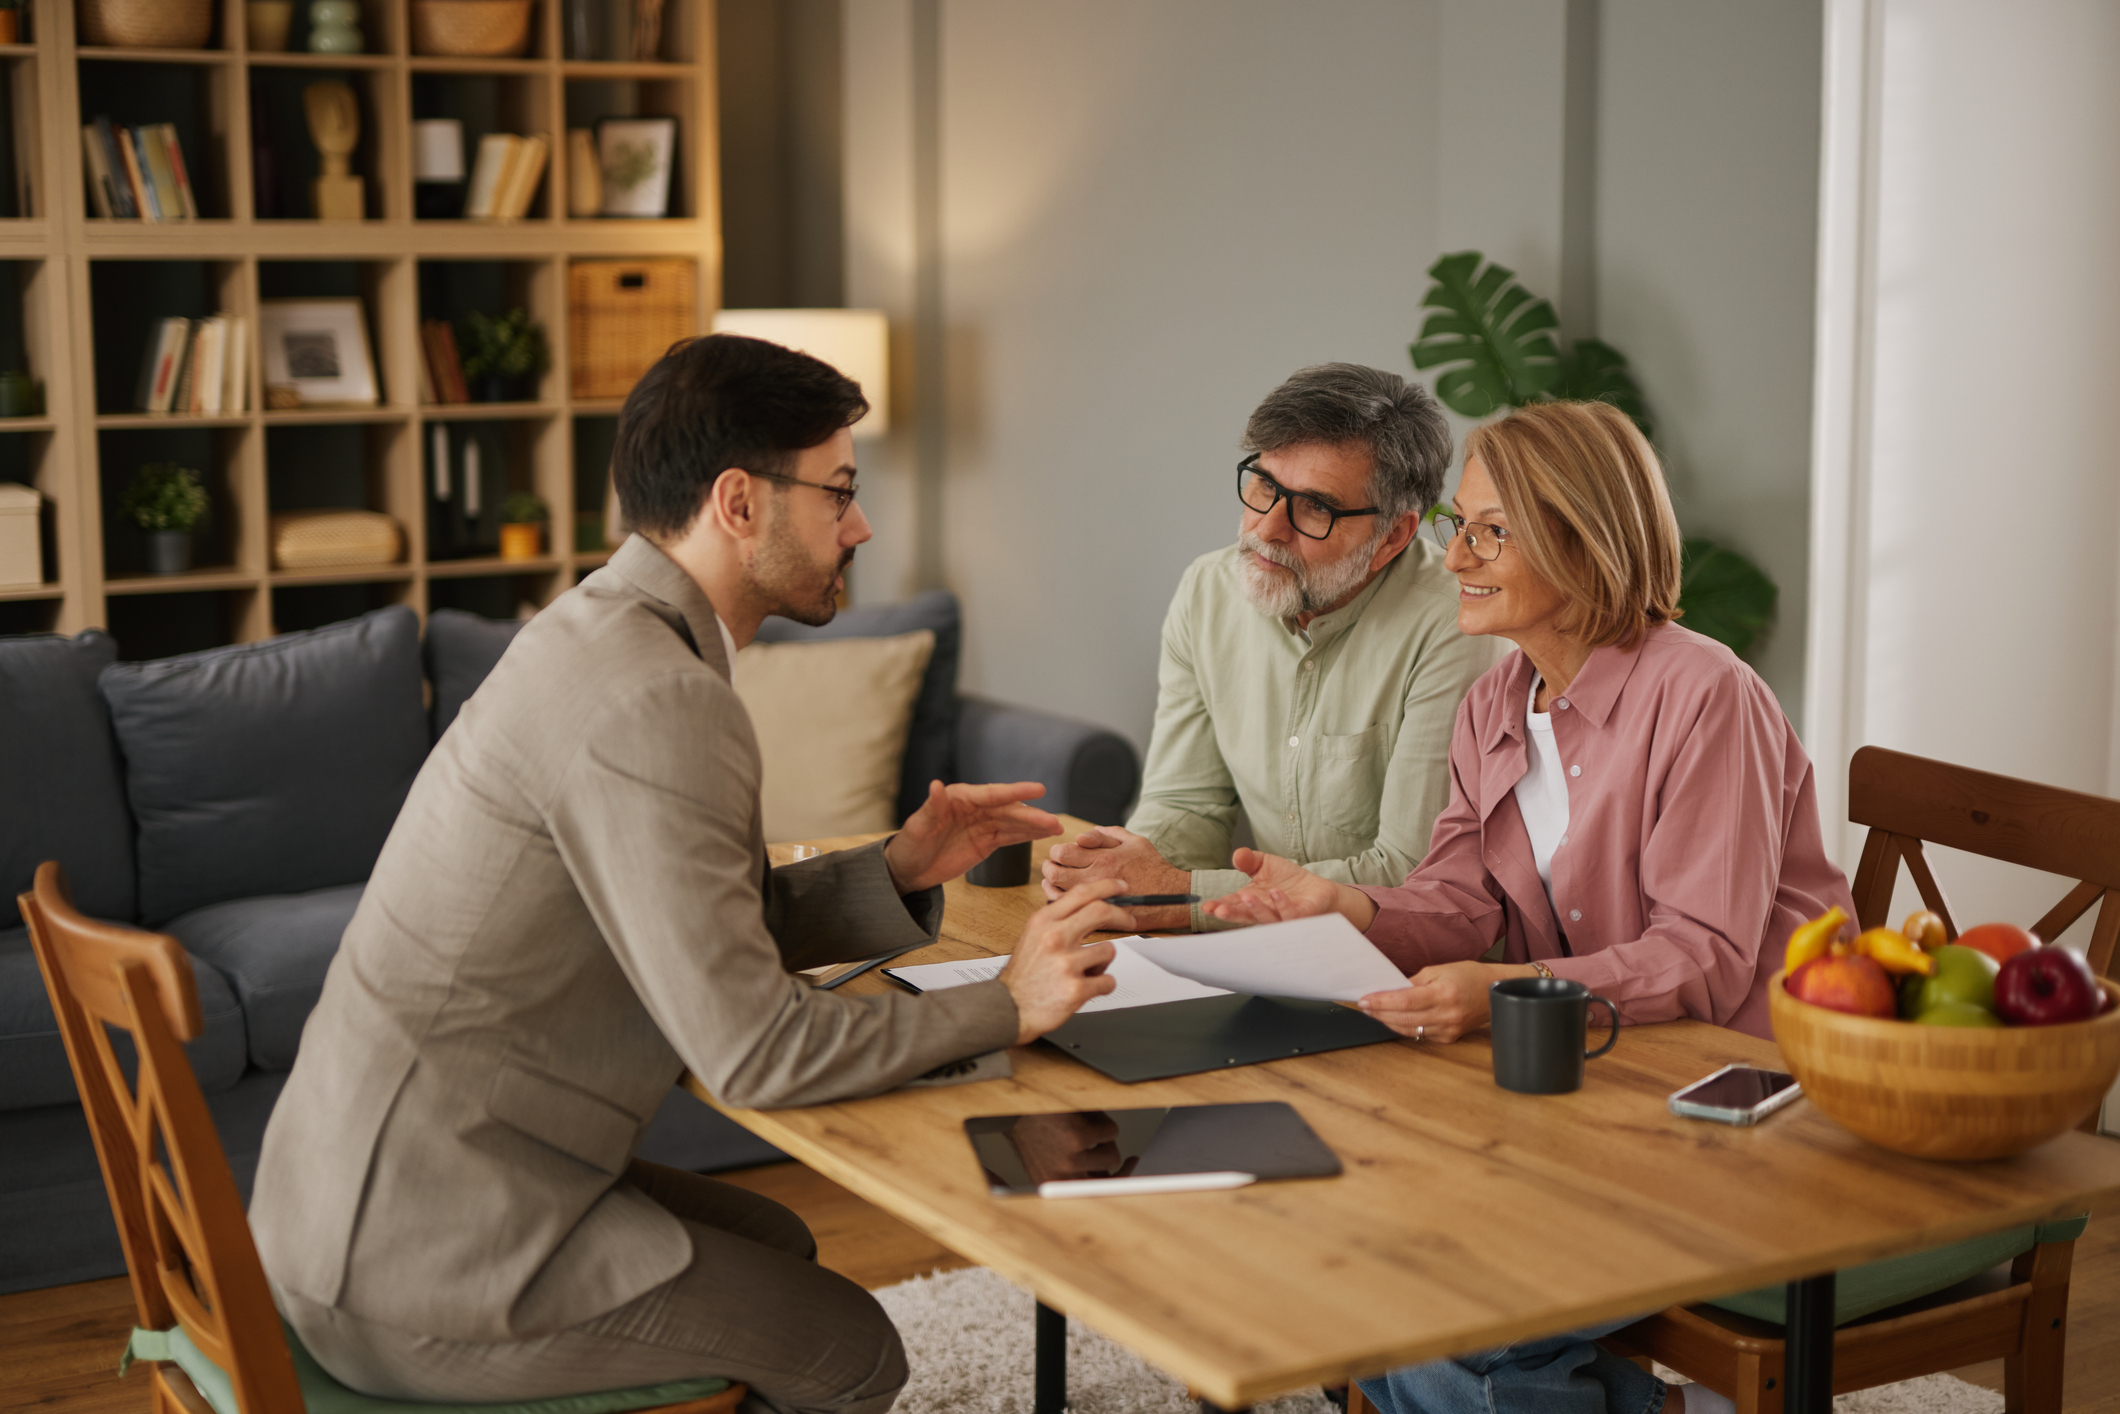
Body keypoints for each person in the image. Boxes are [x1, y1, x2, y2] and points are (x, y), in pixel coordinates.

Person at [249, 334, 1131, 1414]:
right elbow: (756, 1050)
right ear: (739, 503)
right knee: (852, 1351)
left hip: (362, 1197)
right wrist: (1008, 1003)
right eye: (840, 493)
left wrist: (896, 868)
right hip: (419, 1260)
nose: (858, 526)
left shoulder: (592, 632)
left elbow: (686, 921)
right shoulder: (661, 699)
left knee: (775, 1237)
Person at [1206, 399, 1855, 1414]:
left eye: (1489, 530)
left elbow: (1705, 957)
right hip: (1592, 1089)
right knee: (1377, 1275)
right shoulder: (1497, 700)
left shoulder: (1703, 695)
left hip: (1737, 1105)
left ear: (1583, 540)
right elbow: (1460, 900)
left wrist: (1509, 989)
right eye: (1455, 524)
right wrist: (1346, 905)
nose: (1454, 552)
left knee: (1456, 1327)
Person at [1041, 364, 1498, 933]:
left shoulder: (1457, 623)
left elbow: (1407, 874)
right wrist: (1114, 871)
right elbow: (1187, 805)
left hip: (1411, 974)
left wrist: (1176, 893)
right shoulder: (1207, 591)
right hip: (1258, 957)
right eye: (1264, 485)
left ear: (1394, 537)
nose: (1267, 528)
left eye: (1315, 508)